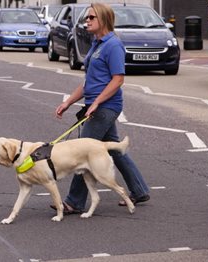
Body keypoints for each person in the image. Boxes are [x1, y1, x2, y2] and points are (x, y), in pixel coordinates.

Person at [52, 3, 150, 214]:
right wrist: (68, 102)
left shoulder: (113, 45)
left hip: (105, 107)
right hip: (94, 106)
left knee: (82, 151)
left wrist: (96, 103)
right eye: (87, 18)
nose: (87, 21)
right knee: (114, 149)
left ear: (103, 20)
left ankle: (74, 201)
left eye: (91, 18)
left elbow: (118, 80)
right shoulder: (97, 44)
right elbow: (89, 82)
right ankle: (139, 190)